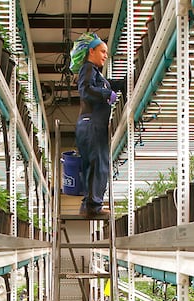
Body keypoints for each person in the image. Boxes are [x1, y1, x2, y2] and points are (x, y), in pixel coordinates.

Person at [71, 33, 124, 218]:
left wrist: (121, 85)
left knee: (95, 164)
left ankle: (90, 204)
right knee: (97, 165)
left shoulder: (95, 73)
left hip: (92, 125)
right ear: (91, 51)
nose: (105, 55)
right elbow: (85, 90)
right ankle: (93, 207)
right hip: (92, 124)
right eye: (102, 51)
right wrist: (105, 95)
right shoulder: (88, 68)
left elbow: (107, 85)